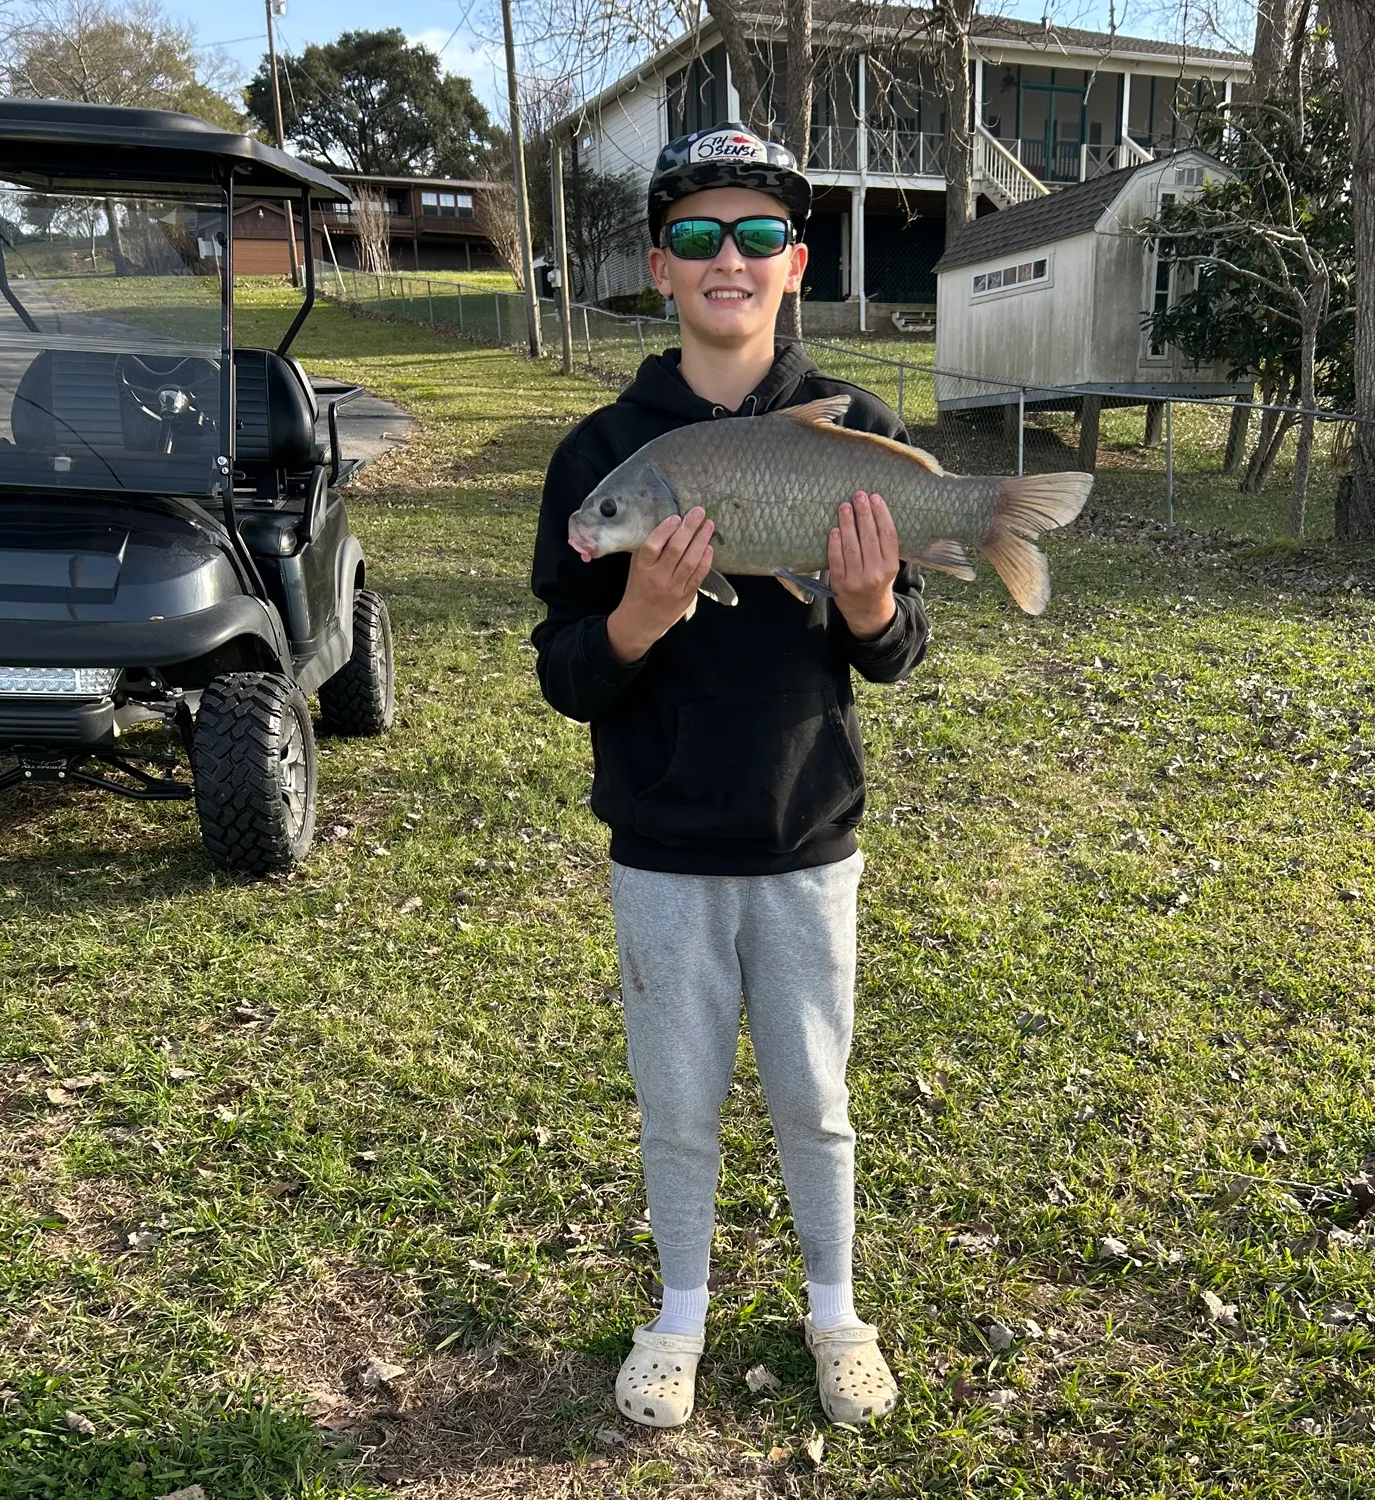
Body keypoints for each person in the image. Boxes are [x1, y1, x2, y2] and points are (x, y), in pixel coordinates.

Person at [530, 122, 930, 1430]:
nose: (729, 259)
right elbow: (567, 669)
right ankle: (679, 1315)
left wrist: (869, 604)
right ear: (661, 267)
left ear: (794, 264)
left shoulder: (858, 432)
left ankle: (837, 1310)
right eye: (699, 236)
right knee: (679, 1106)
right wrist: (640, 611)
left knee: (819, 1101)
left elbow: (896, 651)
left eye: (757, 237)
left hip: (812, 837)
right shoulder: (604, 457)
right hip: (664, 846)